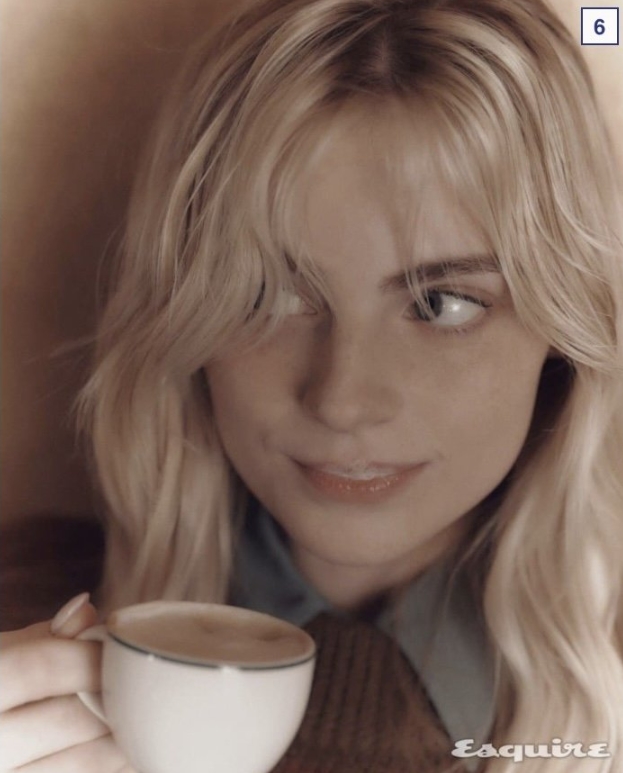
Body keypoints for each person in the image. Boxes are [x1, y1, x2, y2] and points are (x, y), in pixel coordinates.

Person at [1, 0, 622, 770]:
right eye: (268, 294)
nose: (341, 400)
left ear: (563, 332)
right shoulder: (19, 624)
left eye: (441, 303)